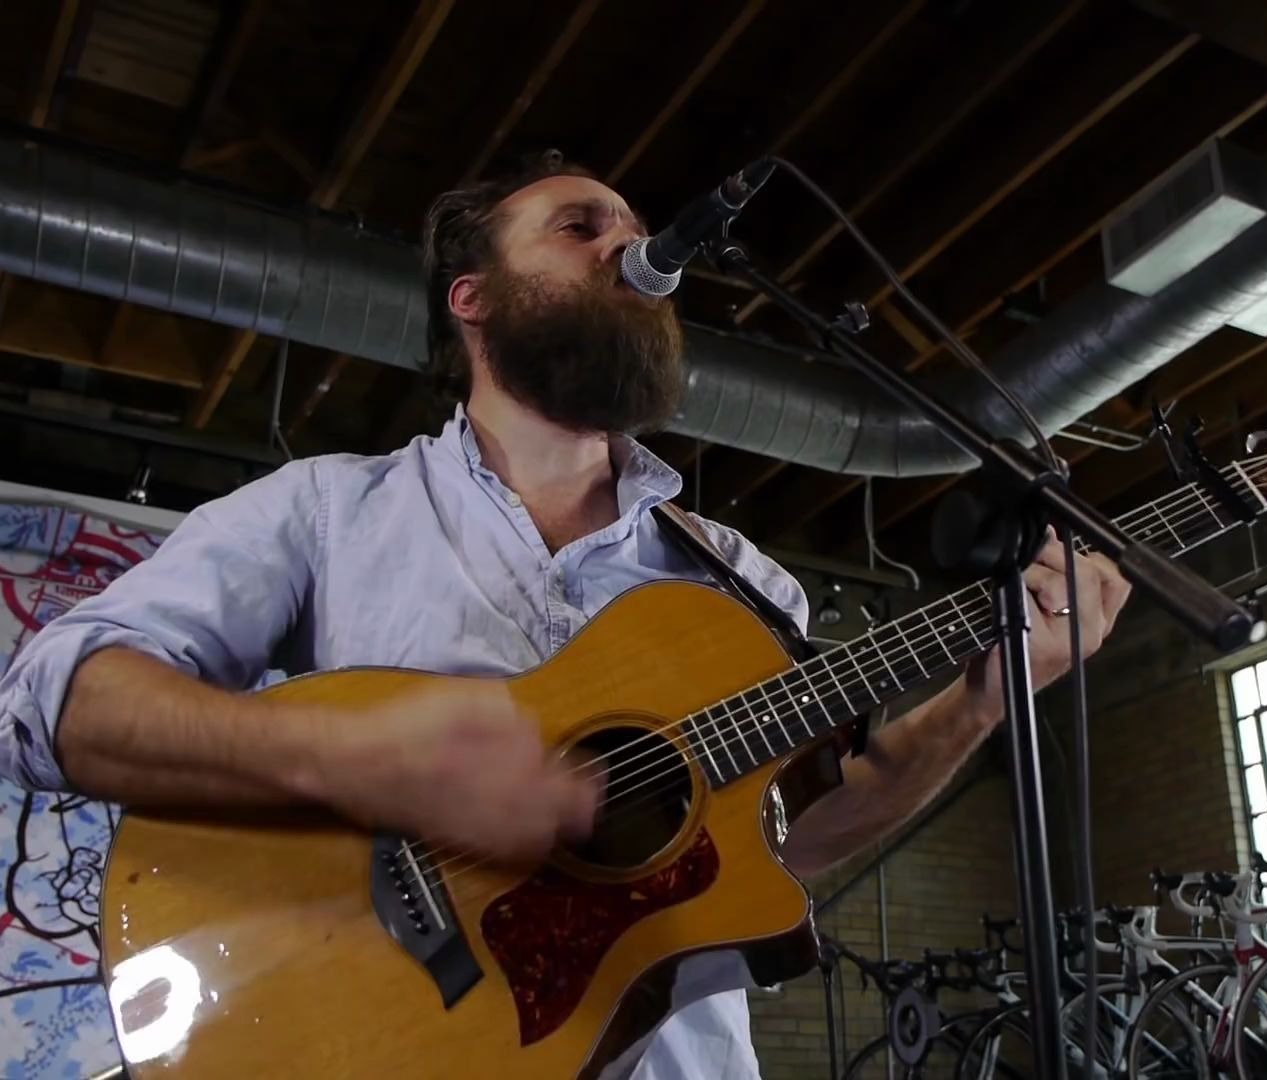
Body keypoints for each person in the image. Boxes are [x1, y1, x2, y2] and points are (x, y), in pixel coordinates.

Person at [0, 152, 1130, 1077]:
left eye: (632, 229)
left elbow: (789, 837)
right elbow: (56, 700)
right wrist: (352, 754)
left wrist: (990, 695)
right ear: (473, 298)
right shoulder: (331, 511)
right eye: (580, 228)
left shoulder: (742, 584)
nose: (629, 253)